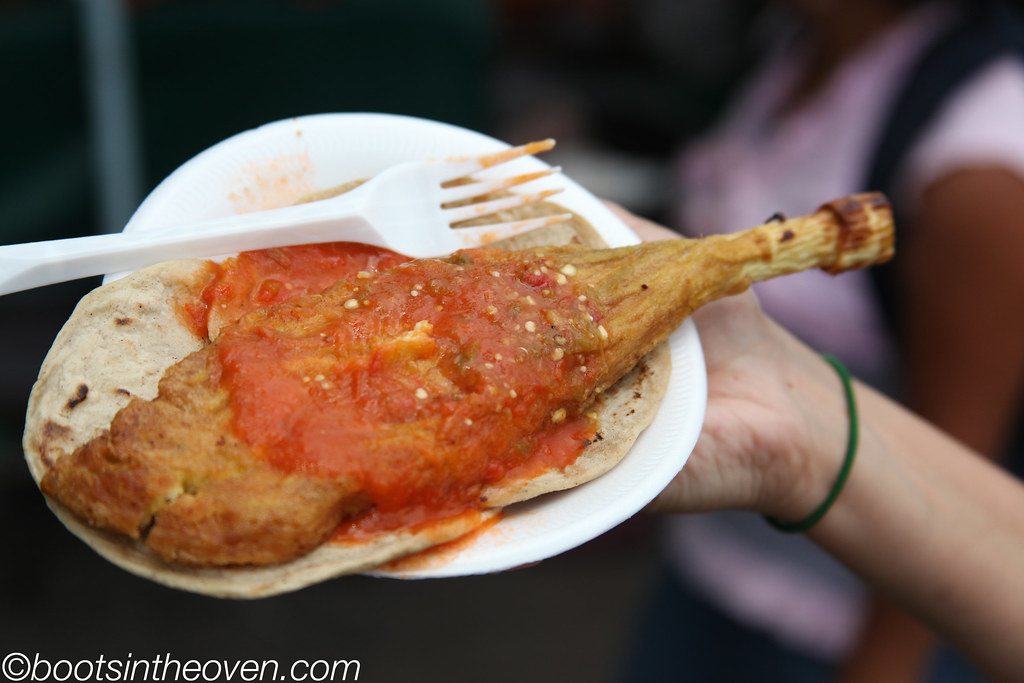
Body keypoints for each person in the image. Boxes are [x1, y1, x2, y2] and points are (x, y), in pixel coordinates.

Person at [647, 0, 1024, 679]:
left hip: (835, 627)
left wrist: (883, 664)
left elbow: (958, 472)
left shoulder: (981, 165)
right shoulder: (797, 45)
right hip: (705, 567)